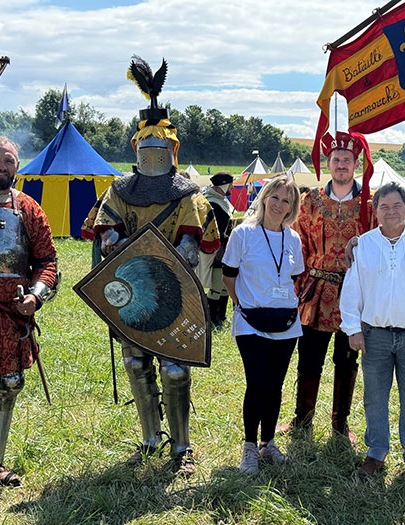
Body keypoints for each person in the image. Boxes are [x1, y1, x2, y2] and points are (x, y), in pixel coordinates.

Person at [86, 58, 219, 476]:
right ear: (137, 151)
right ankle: (149, 436)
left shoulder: (188, 196)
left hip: (174, 291)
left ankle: (181, 446)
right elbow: (105, 236)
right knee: (136, 363)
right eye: (148, 149)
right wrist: (118, 244)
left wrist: (168, 254)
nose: (154, 155)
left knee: (175, 368)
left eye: (161, 149)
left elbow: (191, 248)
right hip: (133, 288)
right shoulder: (120, 191)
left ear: (172, 151)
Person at [340, 182, 405, 479]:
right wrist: (353, 329)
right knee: (375, 396)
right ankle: (376, 453)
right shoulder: (364, 246)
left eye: (396, 206)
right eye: (384, 207)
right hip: (374, 334)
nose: (391, 212)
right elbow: (352, 291)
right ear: (375, 212)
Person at [278, 130, 375, 441]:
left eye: (347, 160)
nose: (341, 165)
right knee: (309, 360)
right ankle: (302, 421)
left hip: (354, 293)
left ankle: (339, 425)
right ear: (328, 164)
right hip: (316, 293)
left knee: (347, 361)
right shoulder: (310, 202)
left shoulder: (370, 204)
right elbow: (299, 243)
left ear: (356, 164)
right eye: (336, 160)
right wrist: (300, 282)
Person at [0, 136, 57, 486]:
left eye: (8, 160)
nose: (1, 166)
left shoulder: (29, 208)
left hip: (11, 320)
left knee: (8, 385)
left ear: (17, 164)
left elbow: (47, 262)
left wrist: (36, 297)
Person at [221, 175, 304, 475]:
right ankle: (249, 448)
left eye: (286, 201)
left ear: (291, 207)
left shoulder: (293, 238)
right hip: (250, 321)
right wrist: (240, 303)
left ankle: (268, 442)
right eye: (275, 197)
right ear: (264, 197)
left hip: (286, 322)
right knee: (257, 383)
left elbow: (294, 277)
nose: (279, 205)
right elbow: (228, 274)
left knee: (276, 385)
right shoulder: (243, 234)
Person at [202, 171, 235, 329]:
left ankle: (221, 316)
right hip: (216, 249)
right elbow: (213, 229)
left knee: (224, 288)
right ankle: (211, 320)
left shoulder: (221, 202)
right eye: (231, 185)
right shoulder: (212, 203)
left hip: (225, 248)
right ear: (225, 184)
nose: (233, 188)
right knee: (216, 286)